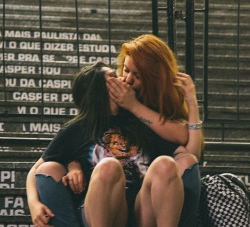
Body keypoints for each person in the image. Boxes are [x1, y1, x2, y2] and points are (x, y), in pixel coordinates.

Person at [26, 61, 192, 227]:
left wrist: (191, 104)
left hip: (140, 208)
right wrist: (34, 205)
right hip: (101, 209)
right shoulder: (78, 128)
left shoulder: (137, 120)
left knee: (166, 164)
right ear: (101, 90)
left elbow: (185, 145)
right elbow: (36, 170)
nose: (122, 79)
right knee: (109, 166)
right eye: (113, 77)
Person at [106, 34, 204, 226]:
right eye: (126, 70)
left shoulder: (161, 104)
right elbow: (82, 134)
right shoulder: (115, 99)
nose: (128, 80)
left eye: (137, 75)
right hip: (119, 198)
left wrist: (192, 102)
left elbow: (191, 154)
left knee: (178, 163)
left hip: (156, 196)